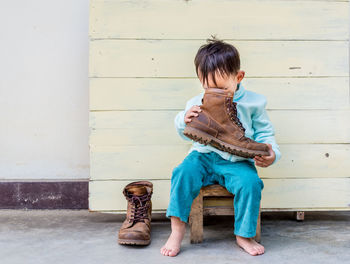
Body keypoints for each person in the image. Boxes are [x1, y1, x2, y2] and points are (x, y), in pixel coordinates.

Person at [160, 37, 281, 257]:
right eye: (208, 87)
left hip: (237, 161)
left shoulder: (254, 102)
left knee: (251, 183)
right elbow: (186, 134)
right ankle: (176, 231)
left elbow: (265, 134)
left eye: (221, 87)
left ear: (239, 77)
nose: (214, 92)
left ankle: (244, 234)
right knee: (182, 173)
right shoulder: (197, 102)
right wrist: (184, 119)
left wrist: (271, 154)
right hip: (203, 156)